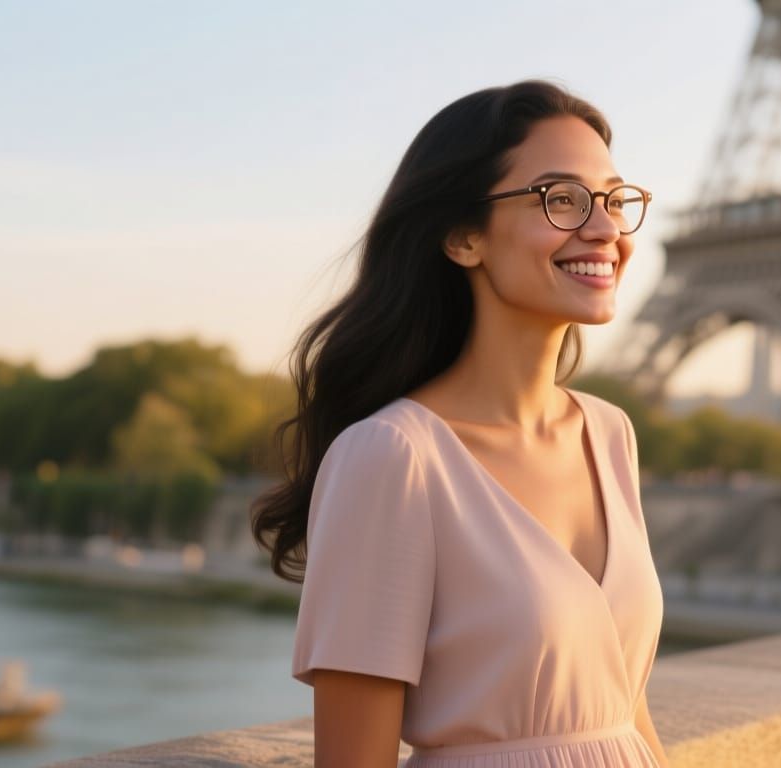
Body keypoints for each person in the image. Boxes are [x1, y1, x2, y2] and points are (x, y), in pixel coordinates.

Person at [252, 80, 668, 767]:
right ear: (462, 236)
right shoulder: (390, 457)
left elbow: (624, 715)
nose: (605, 228)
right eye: (561, 199)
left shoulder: (609, 433)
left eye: (615, 201)